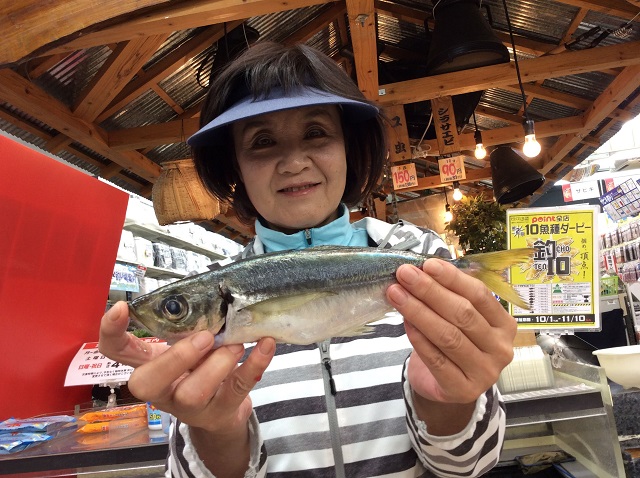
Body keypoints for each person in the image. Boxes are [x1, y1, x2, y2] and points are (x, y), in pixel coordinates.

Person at [99, 41, 516, 477]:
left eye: (316, 132)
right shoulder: (209, 288)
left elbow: (471, 467)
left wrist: (447, 402)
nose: (294, 162)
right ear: (235, 166)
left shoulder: (421, 256)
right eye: (262, 141)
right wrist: (216, 432)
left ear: (349, 146)